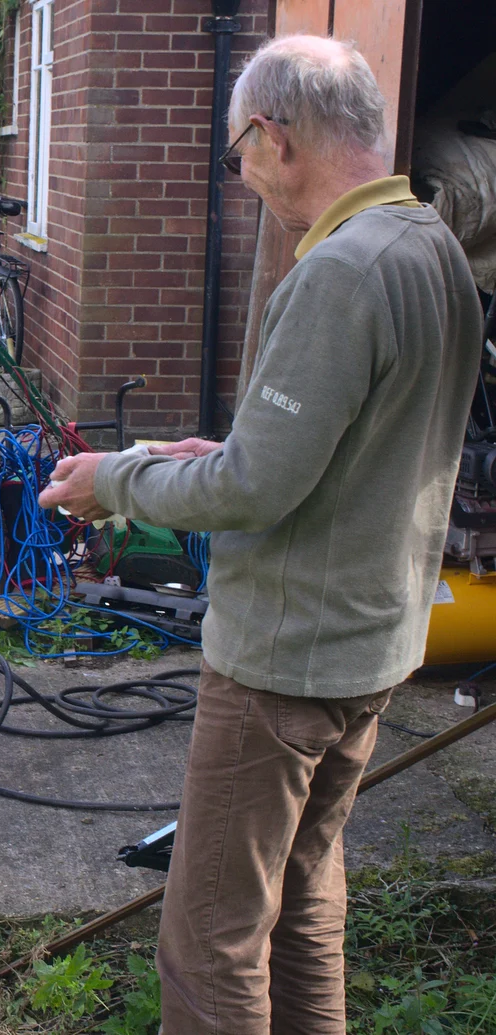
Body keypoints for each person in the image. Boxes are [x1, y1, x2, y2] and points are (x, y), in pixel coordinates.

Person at [39, 35, 483, 1035]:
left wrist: (115, 480)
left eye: (238, 150)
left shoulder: (340, 272)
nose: (241, 176)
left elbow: (253, 491)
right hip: (369, 646)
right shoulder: (432, 248)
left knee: (209, 937)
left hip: (284, 665)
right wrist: (218, 452)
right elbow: (342, 446)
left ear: (275, 137)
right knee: (303, 900)